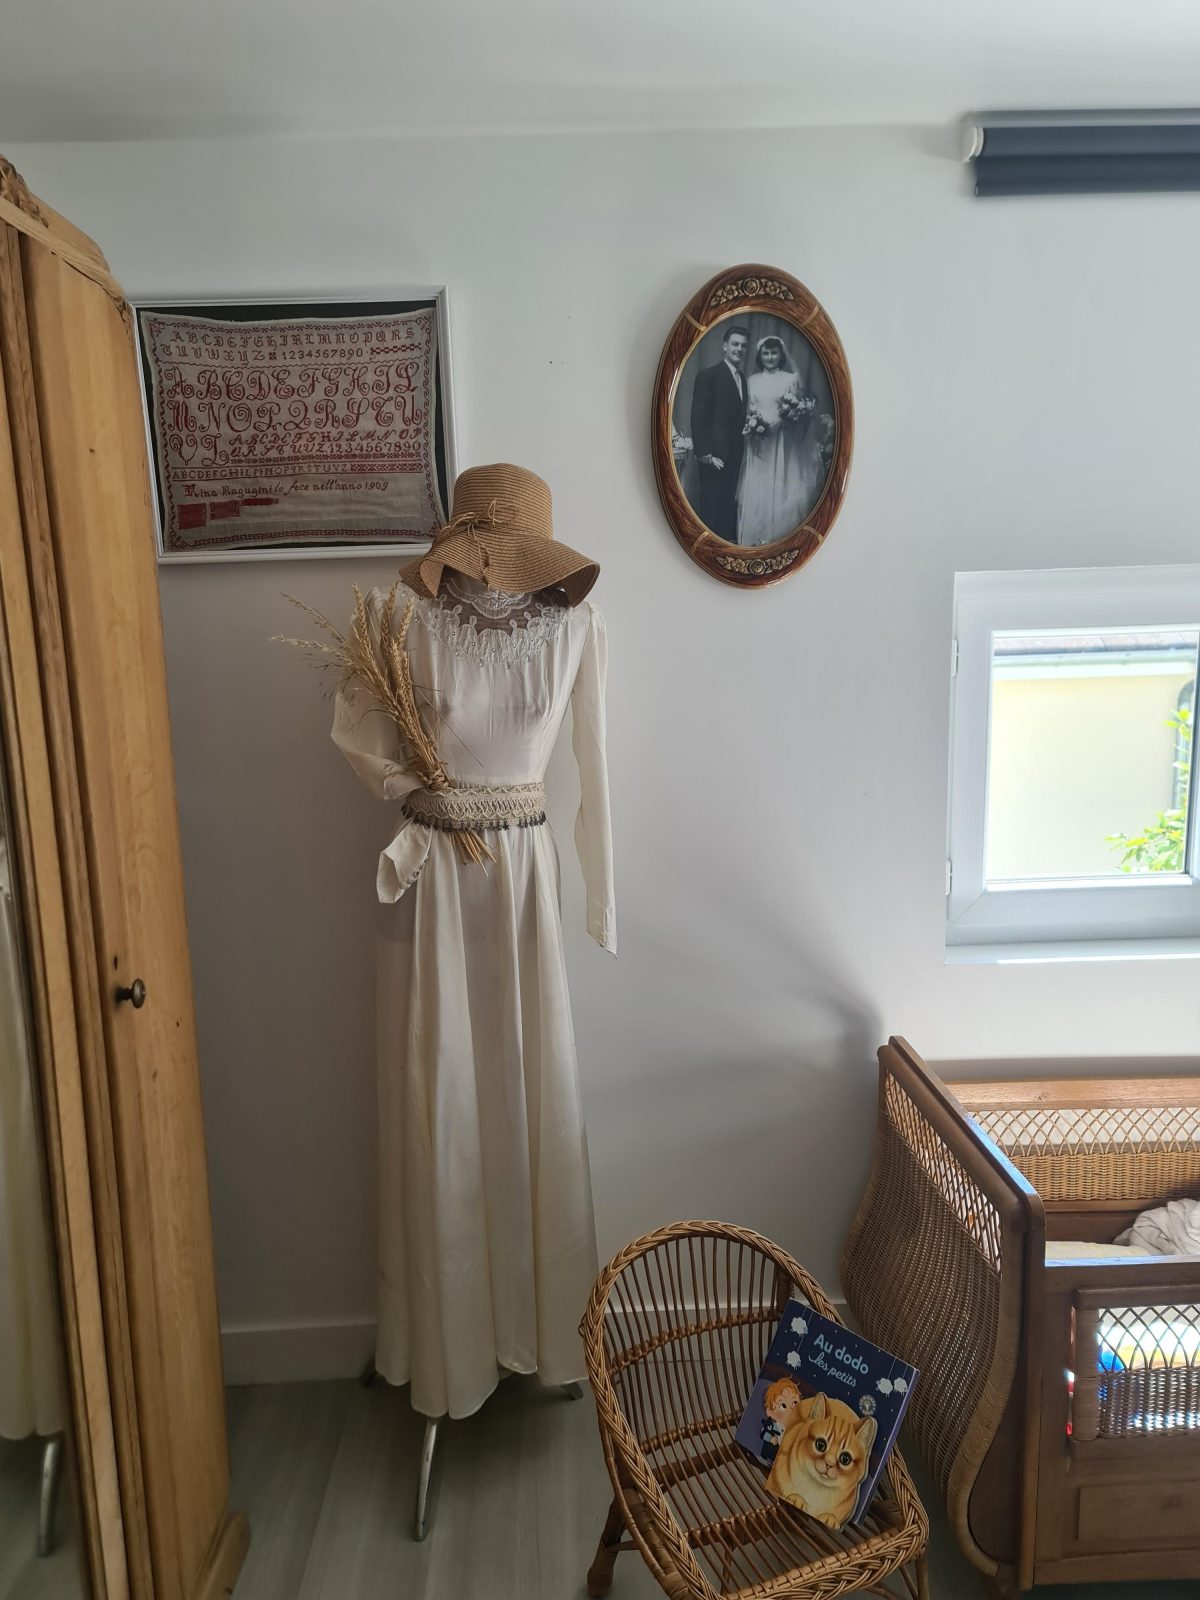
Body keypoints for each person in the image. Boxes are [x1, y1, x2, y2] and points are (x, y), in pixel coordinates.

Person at [736, 334, 823, 547]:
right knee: (758, 482)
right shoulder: (753, 380)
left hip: (782, 441)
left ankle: (777, 534)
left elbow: (797, 412)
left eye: (774, 353)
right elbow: (750, 409)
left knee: (780, 480)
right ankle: (756, 536)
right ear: (760, 356)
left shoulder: (790, 379)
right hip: (759, 440)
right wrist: (755, 424)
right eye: (766, 353)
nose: (770, 357)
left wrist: (780, 422)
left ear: (780, 355)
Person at [689, 326, 749, 540]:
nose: (739, 349)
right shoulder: (709, 375)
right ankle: (707, 550)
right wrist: (705, 453)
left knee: (727, 507)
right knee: (711, 507)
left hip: (735, 455)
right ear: (725, 346)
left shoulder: (743, 379)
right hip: (714, 456)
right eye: (735, 344)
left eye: (743, 346)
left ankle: (723, 550)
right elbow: (698, 416)